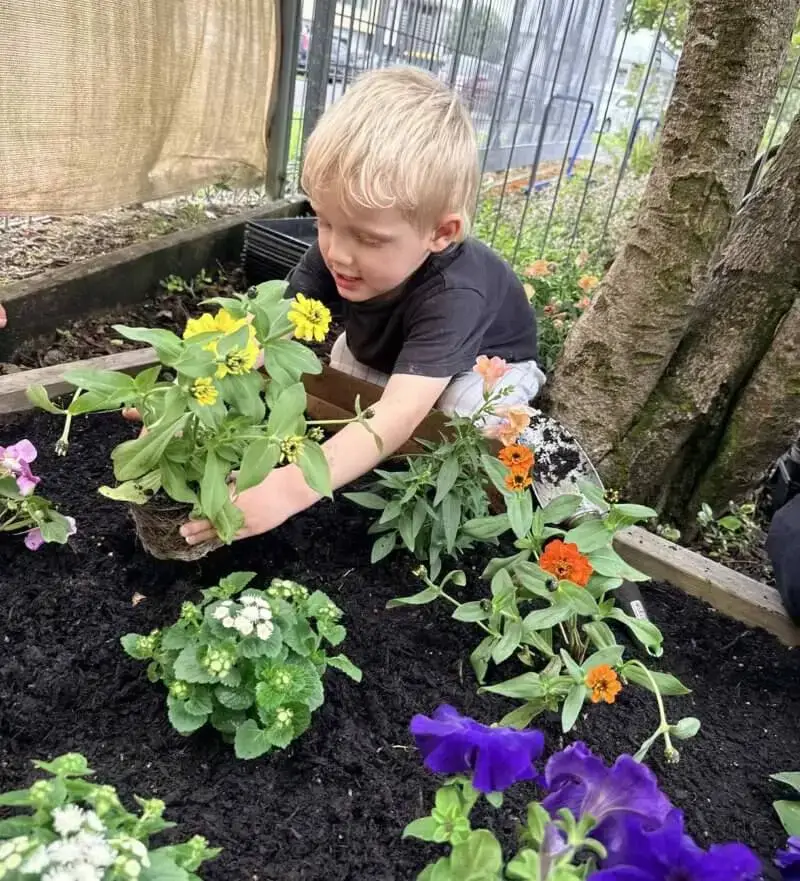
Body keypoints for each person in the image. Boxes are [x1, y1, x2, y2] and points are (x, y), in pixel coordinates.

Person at [180, 66, 545, 547]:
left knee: (467, 415)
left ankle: (536, 474)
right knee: (342, 384)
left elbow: (396, 413)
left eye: (369, 238)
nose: (337, 253)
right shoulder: (336, 252)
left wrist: (290, 489)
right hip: (391, 350)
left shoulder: (458, 291)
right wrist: (189, 399)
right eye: (324, 221)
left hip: (486, 367)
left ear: (441, 233)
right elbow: (267, 332)